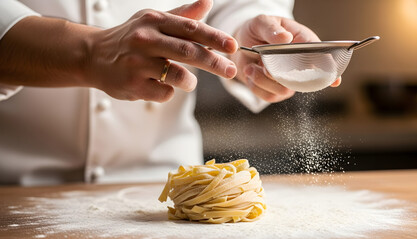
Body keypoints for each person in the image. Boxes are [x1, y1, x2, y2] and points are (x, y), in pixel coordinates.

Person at [0, 0, 341, 186]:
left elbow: (229, 3)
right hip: (13, 189)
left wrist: (247, 32)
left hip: (169, 188)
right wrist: (88, 53)